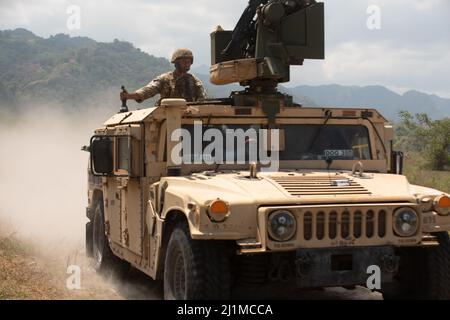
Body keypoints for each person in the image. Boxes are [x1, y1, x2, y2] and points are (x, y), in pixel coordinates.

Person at [120, 49, 207, 106]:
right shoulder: (165, 79)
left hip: (190, 119)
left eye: (189, 61)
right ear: (176, 62)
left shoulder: (195, 81)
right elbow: (148, 90)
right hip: (166, 118)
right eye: (184, 61)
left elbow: (203, 101)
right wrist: (129, 96)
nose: (187, 64)